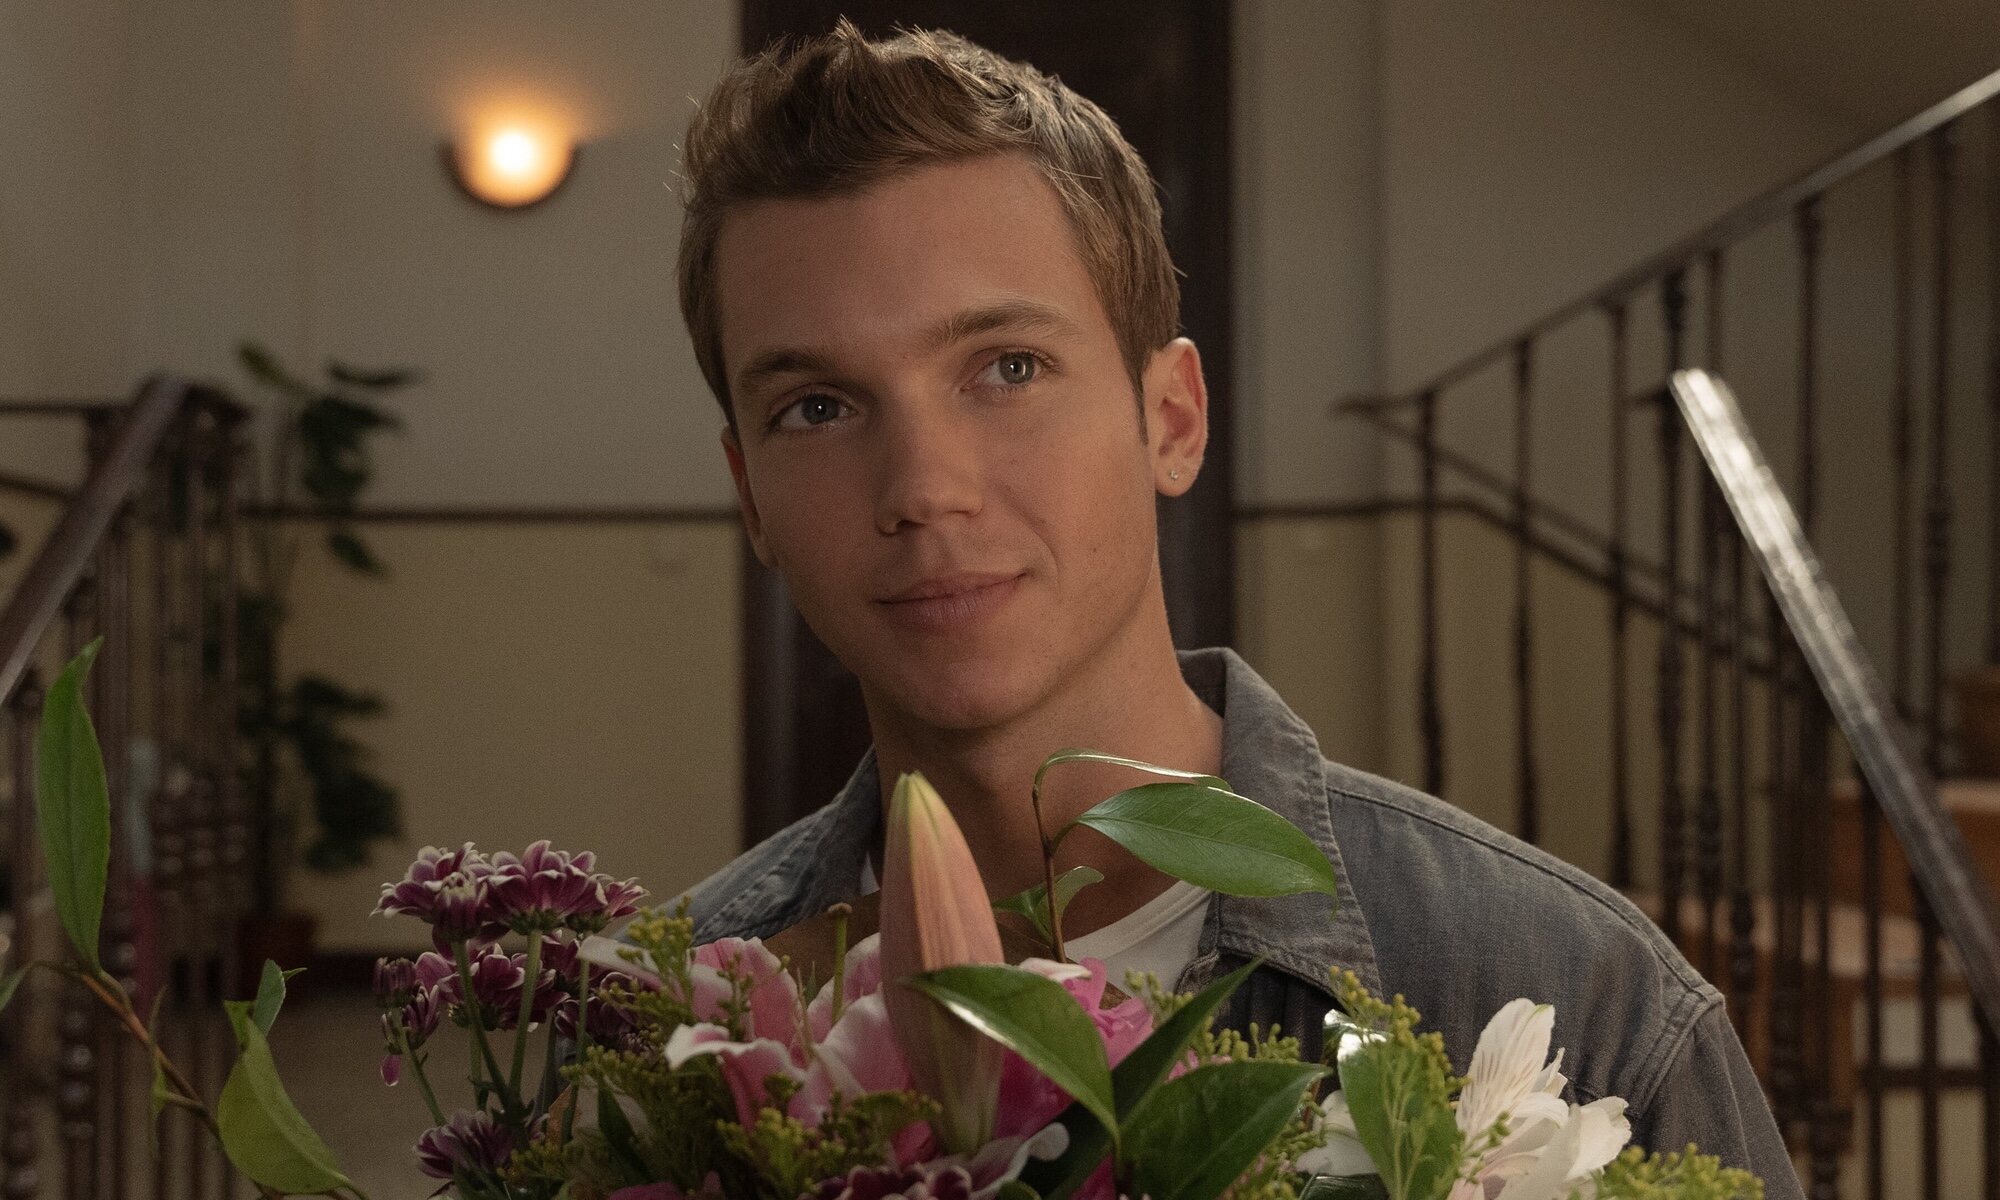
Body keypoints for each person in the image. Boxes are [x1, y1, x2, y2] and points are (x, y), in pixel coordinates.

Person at [670, 20, 1800, 1193]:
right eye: (816, 407)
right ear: (750, 495)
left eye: (1007, 367)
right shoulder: (652, 1024)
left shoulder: (1577, 1001)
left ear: (1170, 420)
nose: (922, 489)